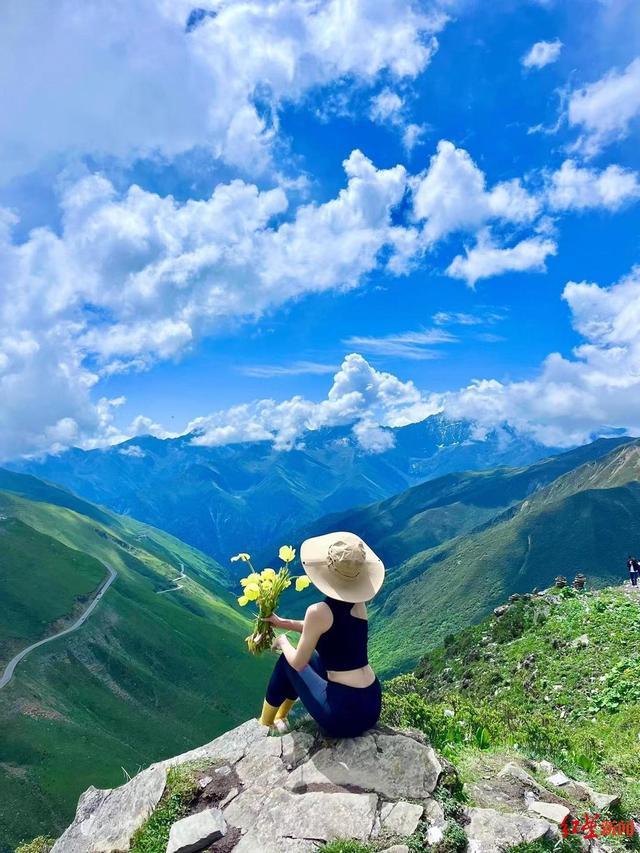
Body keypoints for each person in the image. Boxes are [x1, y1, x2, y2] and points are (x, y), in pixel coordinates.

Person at [258, 531, 384, 738]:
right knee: (309, 657)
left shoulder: (318, 611)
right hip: (371, 704)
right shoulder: (359, 603)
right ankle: (281, 718)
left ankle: (265, 725)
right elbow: (327, 629)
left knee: (287, 661)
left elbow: (298, 663)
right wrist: (283, 623)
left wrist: (282, 640)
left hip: (343, 714)